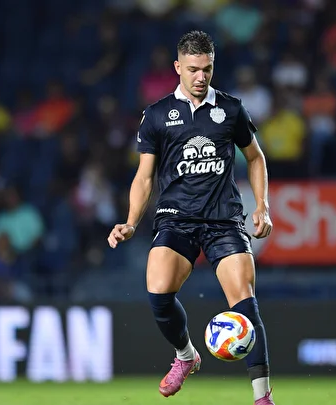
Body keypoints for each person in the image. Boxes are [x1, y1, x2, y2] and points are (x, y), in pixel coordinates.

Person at [107, 31, 275, 405]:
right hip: (176, 219)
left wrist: (262, 205)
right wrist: (131, 221)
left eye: (207, 69)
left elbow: (255, 157)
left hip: (223, 220)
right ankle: (186, 355)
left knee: (244, 303)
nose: (201, 77)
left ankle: (262, 397)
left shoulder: (231, 109)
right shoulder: (156, 115)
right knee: (158, 292)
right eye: (194, 69)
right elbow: (144, 177)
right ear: (178, 67)